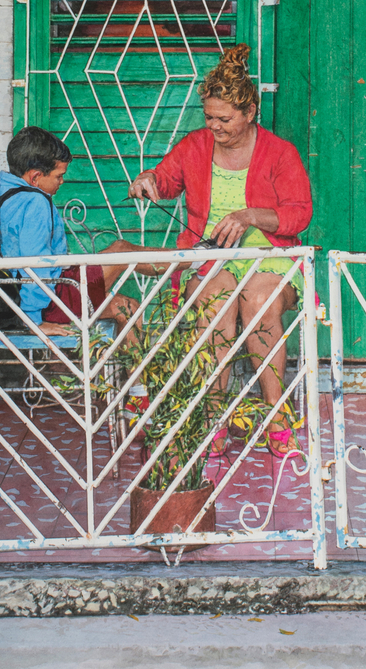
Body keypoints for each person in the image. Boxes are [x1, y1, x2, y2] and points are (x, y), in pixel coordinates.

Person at [128, 44, 313, 456]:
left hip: (269, 257)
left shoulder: (280, 152)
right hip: (210, 257)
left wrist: (250, 216)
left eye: (224, 119)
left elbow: (299, 214)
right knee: (216, 303)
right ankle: (213, 417)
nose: (214, 126)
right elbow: (166, 180)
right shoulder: (195, 145)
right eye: (209, 117)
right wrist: (149, 179)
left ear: (250, 112)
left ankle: (277, 414)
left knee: (259, 302)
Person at [0, 127, 139, 339]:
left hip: (42, 294)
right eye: (59, 176)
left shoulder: (8, 192)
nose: (62, 181)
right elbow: (36, 266)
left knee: (128, 307)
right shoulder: (35, 203)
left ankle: (184, 262)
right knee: (123, 251)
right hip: (49, 302)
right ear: (36, 177)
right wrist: (33, 320)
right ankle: (187, 261)